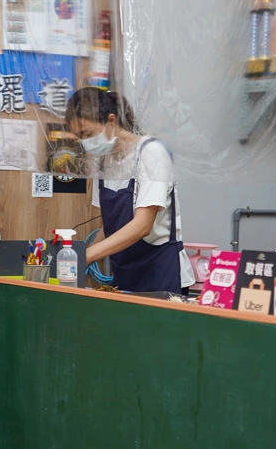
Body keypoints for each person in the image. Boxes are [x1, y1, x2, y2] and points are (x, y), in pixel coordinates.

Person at [65, 87, 194, 295]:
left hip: (160, 272)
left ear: (111, 121)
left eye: (88, 134)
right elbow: (110, 226)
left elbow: (143, 225)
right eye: (80, 137)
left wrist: (87, 255)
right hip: (124, 275)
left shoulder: (151, 153)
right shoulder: (102, 162)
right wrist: (73, 255)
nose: (85, 142)